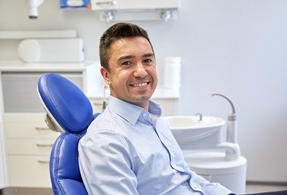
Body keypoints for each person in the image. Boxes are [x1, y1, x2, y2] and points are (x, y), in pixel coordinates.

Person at [78, 22, 234, 195]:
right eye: (127, 63)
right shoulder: (106, 141)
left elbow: (187, 178)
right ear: (106, 76)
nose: (141, 72)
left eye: (147, 60)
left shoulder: (153, 119)